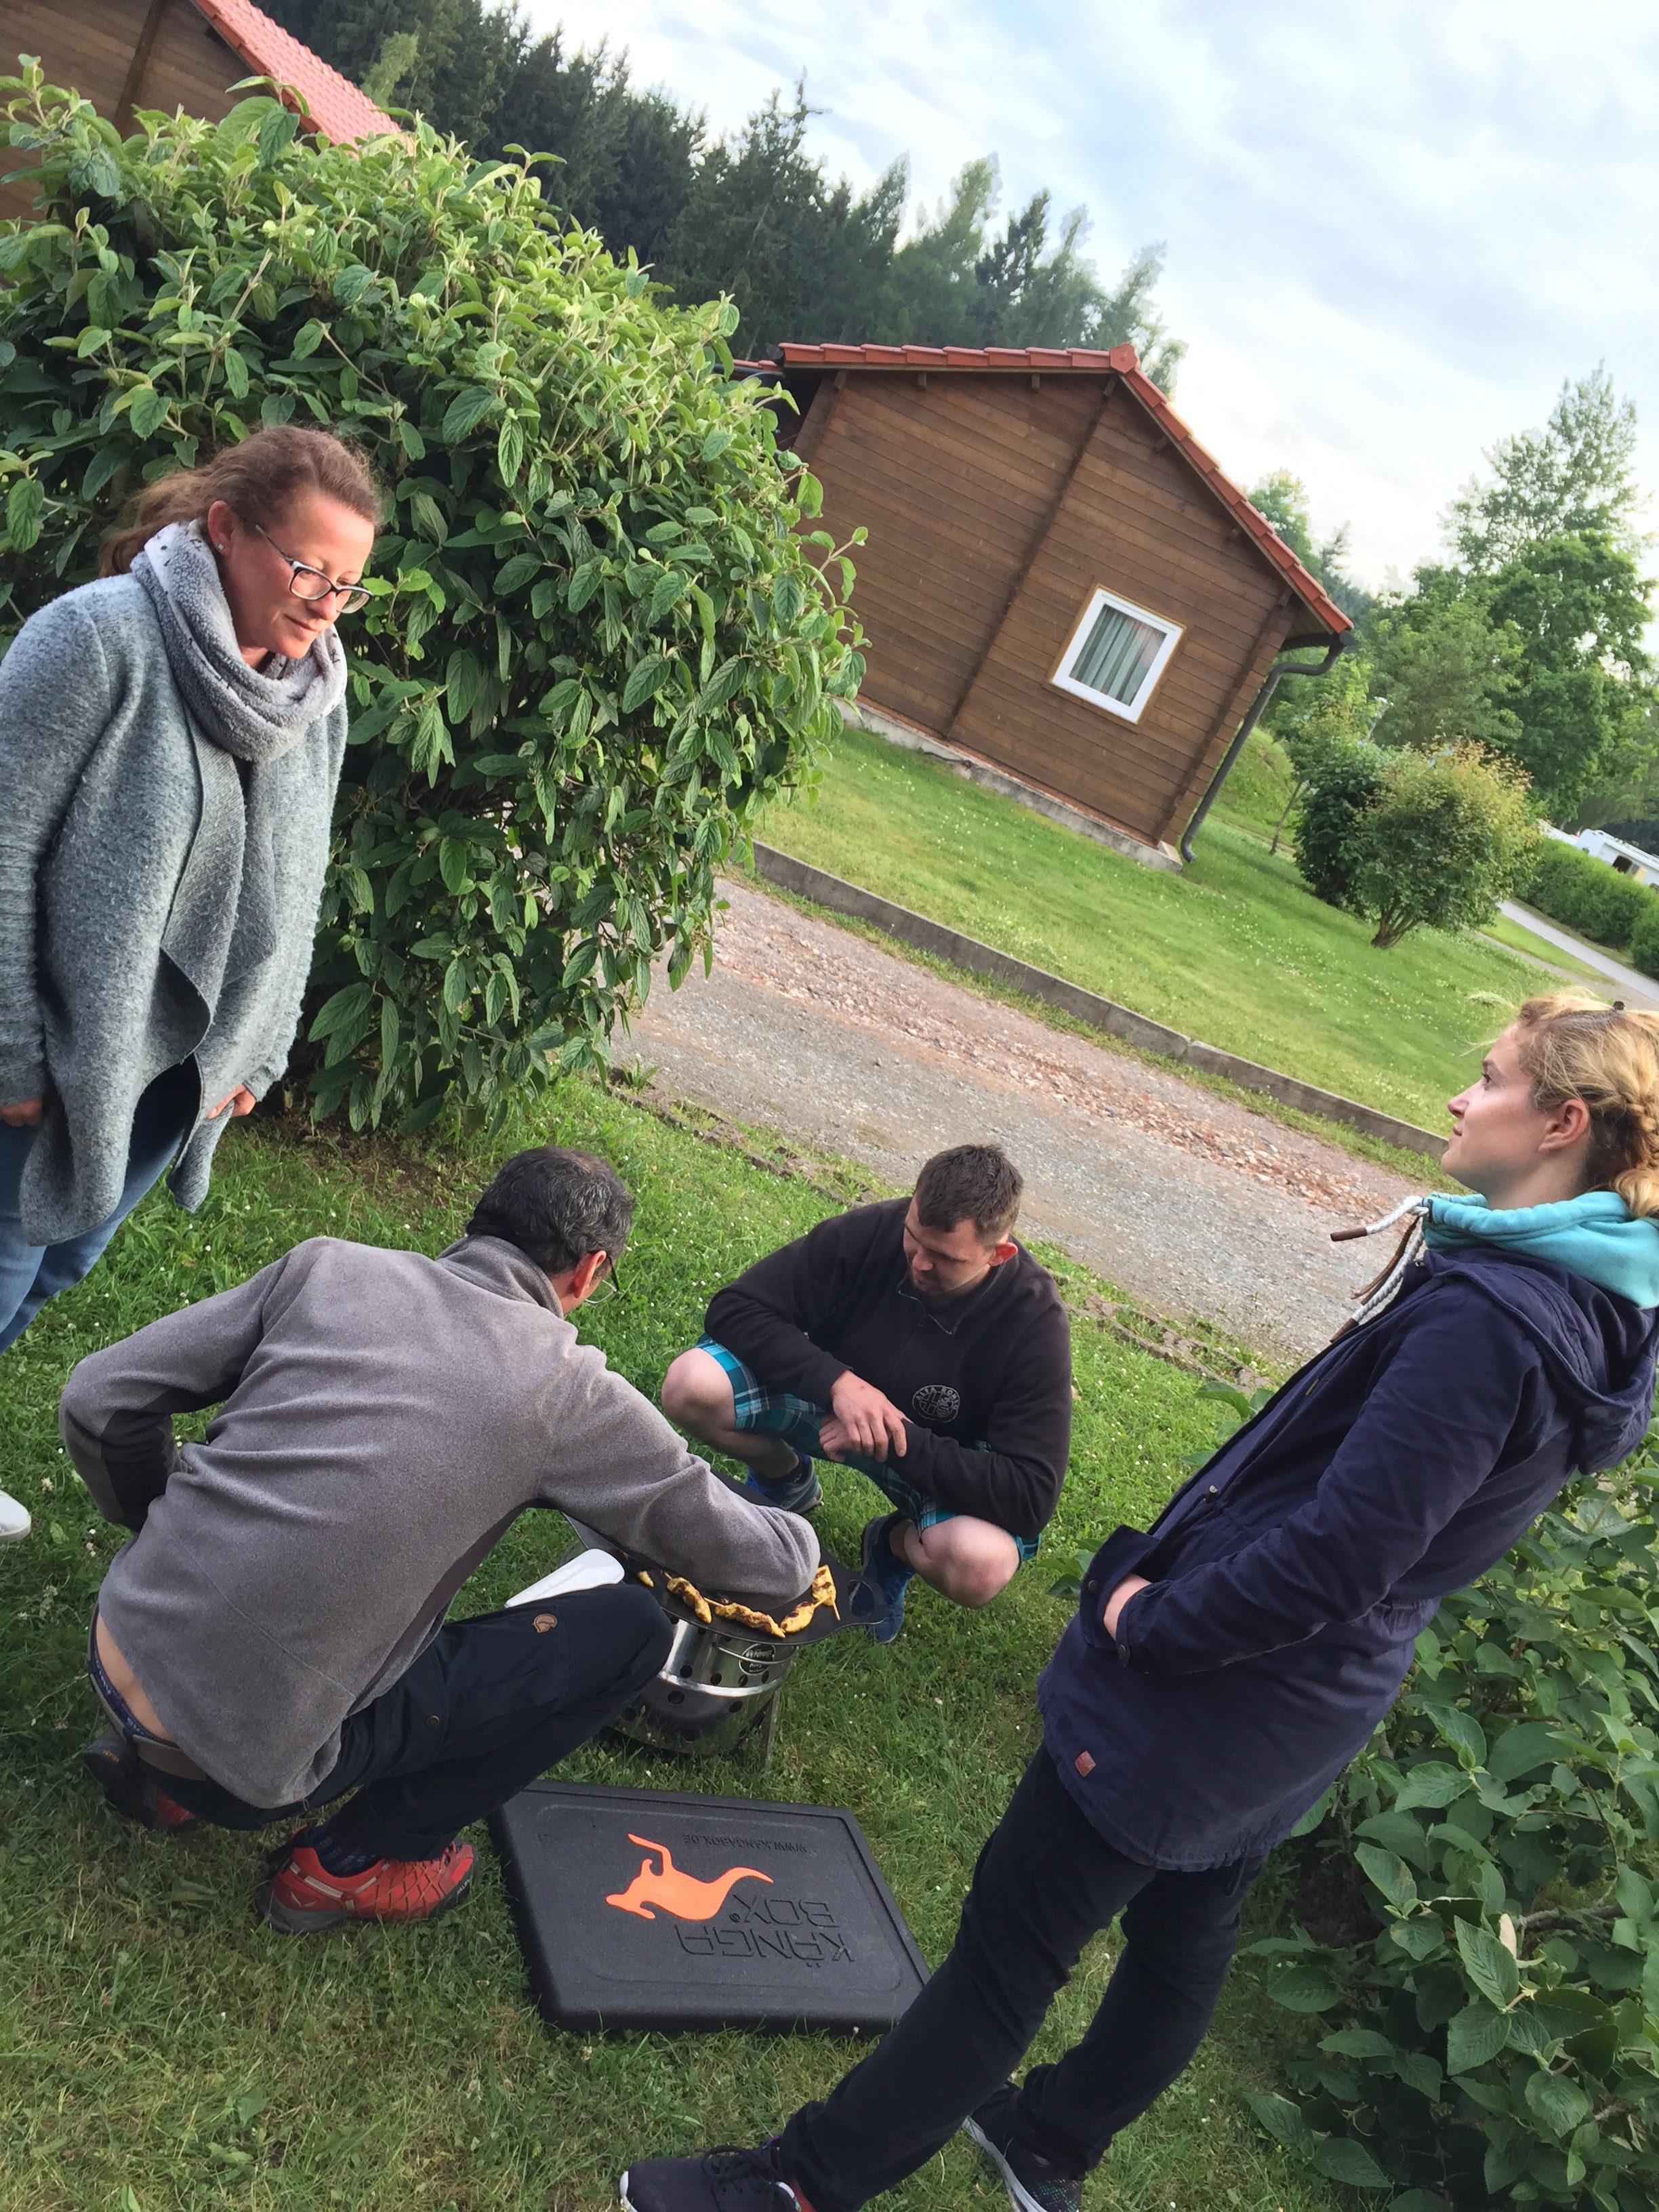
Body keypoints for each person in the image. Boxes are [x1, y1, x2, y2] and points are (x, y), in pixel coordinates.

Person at [616, 993, 1659, 2212]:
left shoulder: (1491, 1322)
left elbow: (1341, 1552)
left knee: (1006, 1956)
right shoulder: (1593, 1303)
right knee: (1184, 1928)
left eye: (1485, 1079)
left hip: (1209, 1691)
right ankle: (1047, 2138)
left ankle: (797, 2182)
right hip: (1304, 1711)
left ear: (1558, 1121)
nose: (1456, 1097)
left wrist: (1146, 1622)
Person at [68, 1146, 819, 1933]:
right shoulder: (566, 1393)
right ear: (591, 1271)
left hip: (115, 1642)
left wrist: (161, 1524)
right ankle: (356, 1861)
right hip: (246, 1769)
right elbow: (767, 1568)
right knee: (632, 1632)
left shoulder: (327, 1269)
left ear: (482, 1215)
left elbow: (99, 1399)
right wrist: (804, 1527)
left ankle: (157, 1768)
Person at [0, 423, 380, 1543]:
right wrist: (11, 1042)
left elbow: (303, 879)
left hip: (167, 1075)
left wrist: (262, 1047)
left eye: (347, 584)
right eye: (306, 566)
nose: (323, 603)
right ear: (223, 528)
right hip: (57, 1045)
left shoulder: (314, 695)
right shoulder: (100, 637)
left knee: (57, 1263)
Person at [659, 1144, 1071, 1642]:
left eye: (944, 1258)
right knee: (691, 1385)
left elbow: (1030, 1496)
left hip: (934, 1456)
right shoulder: (874, 1230)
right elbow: (736, 1308)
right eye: (913, 1238)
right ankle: (786, 1478)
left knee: (980, 1563)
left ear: (998, 1254)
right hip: (829, 1407)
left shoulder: (1034, 1320)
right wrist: (838, 1385)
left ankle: (891, 1546)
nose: (918, 1263)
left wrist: (895, 1436)